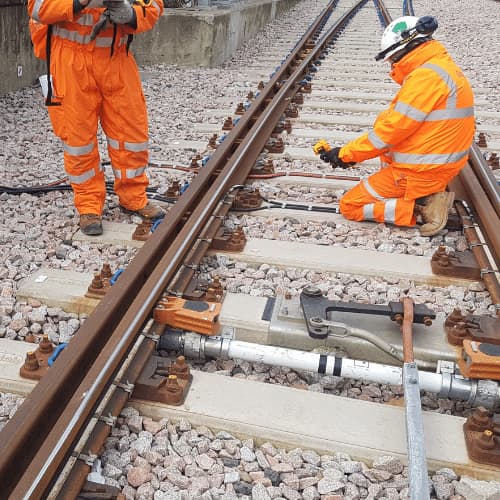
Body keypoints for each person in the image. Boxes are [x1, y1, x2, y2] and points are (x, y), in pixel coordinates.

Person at [319, 16, 475, 237]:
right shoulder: (441, 68)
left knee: (350, 206)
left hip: (420, 172)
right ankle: (425, 195)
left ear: (409, 45)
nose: (392, 63)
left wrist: (346, 155)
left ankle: (422, 206)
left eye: (393, 56)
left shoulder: (426, 77)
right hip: (437, 165)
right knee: (386, 159)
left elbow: (390, 131)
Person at [28, 0, 165, 235]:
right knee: (78, 138)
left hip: (116, 58)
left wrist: (131, 14)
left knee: (131, 132)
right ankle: (89, 205)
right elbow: (38, 9)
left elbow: (154, 6)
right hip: (71, 63)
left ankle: (134, 196)